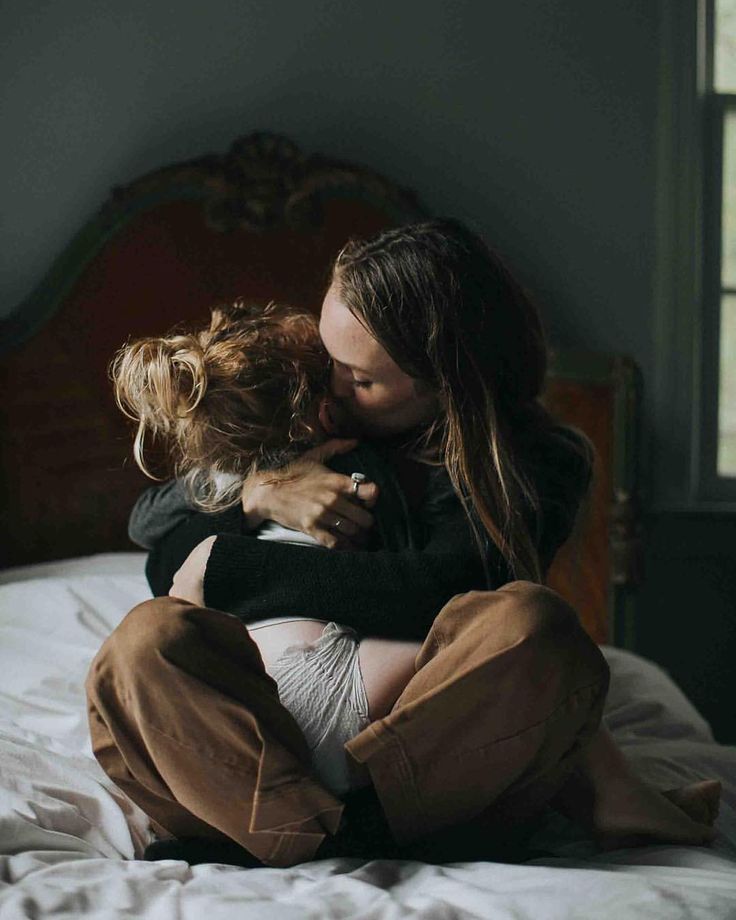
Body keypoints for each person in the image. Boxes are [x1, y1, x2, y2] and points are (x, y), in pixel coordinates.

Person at [86, 218, 719, 870]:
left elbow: (437, 591)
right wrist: (257, 494)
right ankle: (330, 835)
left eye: (358, 380)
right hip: (265, 735)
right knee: (140, 646)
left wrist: (228, 562)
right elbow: (165, 560)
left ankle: (293, 833)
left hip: (418, 756)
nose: (328, 392)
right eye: (329, 364)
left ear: (446, 384)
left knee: (532, 625)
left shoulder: (534, 462)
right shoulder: (307, 426)